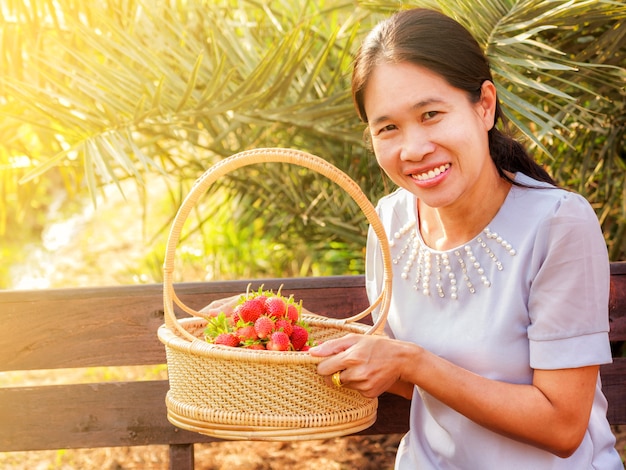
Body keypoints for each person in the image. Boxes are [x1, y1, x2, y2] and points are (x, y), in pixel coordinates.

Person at [309, 8, 624, 469]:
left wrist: (414, 362)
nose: (413, 148)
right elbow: (395, 369)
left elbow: (563, 427)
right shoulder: (389, 220)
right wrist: (265, 329)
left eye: (431, 114)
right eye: (388, 128)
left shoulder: (558, 224)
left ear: (484, 105)